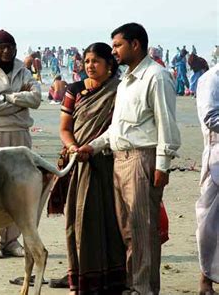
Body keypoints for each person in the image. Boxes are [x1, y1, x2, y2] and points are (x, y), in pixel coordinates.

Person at [78, 23, 181, 294]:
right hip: (119, 159)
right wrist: (94, 145)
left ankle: (143, 288)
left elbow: (166, 124)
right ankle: (133, 284)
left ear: (135, 45)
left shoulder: (156, 77)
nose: (114, 52)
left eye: (117, 46)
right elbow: (118, 128)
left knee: (143, 231)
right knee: (127, 229)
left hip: (142, 159)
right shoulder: (126, 81)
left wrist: (162, 165)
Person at [50, 42, 126, 293]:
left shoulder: (120, 90)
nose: (90, 66)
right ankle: (82, 276)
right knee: (79, 218)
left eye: (96, 61)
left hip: (107, 160)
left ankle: (112, 278)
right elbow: (64, 128)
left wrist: (91, 148)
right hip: (78, 163)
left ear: (109, 64)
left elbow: (118, 128)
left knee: (110, 220)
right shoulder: (75, 90)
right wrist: (73, 148)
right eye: (87, 61)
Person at [0, 29, 41, 258]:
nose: (6, 51)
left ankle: (12, 240)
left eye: (10, 46)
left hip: (20, 132)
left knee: (19, 187)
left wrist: (6, 97)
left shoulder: (23, 70)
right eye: (1, 47)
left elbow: (36, 99)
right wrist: (19, 100)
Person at [195, 63, 219, 295]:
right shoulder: (211, 79)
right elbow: (211, 118)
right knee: (209, 223)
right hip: (217, 159)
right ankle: (205, 278)